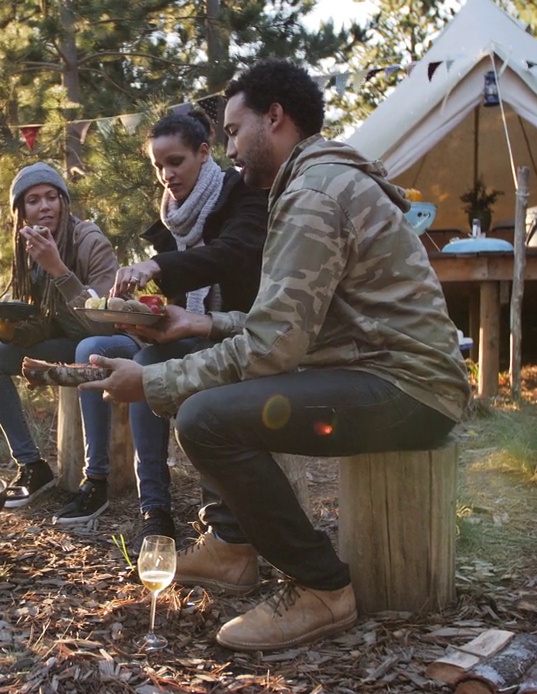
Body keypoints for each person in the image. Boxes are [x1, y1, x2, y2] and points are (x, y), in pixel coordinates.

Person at [81, 59, 471, 651]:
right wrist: (202, 320)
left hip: (408, 388)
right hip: (380, 368)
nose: (231, 149)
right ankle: (235, 548)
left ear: (275, 118)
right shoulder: (317, 181)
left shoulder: (314, 194)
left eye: (235, 131)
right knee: (209, 395)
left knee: (205, 418)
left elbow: (273, 347)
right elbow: (298, 323)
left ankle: (321, 587)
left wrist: (155, 383)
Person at [56, 108, 268, 536]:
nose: (166, 174)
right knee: (97, 352)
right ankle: (110, 486)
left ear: (204, 153)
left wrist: (155, 266)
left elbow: (231, 255)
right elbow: (170, 300)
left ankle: (164, 509)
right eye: (158, 165)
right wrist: (137, 312)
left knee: (151, 361)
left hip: (235, 331)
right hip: (182, 334)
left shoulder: (241, 194)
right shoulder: (173, 216)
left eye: (176, 162)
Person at [0, 162, 119, 508]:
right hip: (71, 342)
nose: (45, 206)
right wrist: (10, 332)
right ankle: (32, 466)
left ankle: (97, 480)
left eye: (51, 197)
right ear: (22, 213)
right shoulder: (31, 250)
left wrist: (59, 269)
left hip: (110, 344)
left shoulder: (89, 242)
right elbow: (46, 323)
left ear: (63, 202)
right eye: (34, 200)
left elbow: (104, 323)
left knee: (89, 346)